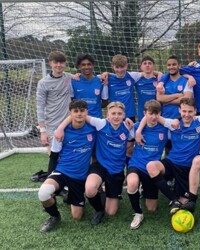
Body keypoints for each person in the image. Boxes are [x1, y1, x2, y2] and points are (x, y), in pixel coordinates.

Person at [143, 97, 200, 214]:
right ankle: (173, 199)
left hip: (187, 168)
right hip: (172, 163)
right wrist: (137, 132)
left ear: (195, 111)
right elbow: (153, 116)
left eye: (190, 111)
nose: (187, 114)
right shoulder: (173, 124)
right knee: (151, 166)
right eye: (184, 111)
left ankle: (183, 198)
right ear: (179, 111)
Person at [55, 101, 134, 225]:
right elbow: (80, 115)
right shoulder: (101, 123)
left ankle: (102, 193)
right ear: (107, 115)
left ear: (124, 115)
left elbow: (131, 145)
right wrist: (60, 128)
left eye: (119, 113)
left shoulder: (128, 128)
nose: (116, 116)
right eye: (113, 113)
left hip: (117, 170)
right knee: (90, 189)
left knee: (111, 212)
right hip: (100, 166)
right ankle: (97, 207)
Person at [37, 100, 96, 233]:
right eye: (76, 111)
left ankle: (72, 195)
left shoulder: (93, 129)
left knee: (77, 216)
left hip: (80, 177)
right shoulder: (61, 133)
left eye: (82, 111)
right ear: (70, 113)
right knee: (44, 192)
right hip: (63, 171)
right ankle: (54, 216)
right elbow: (54, 156)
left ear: (87, 112)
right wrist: (50, 176)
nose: (79, 114)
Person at [126, 100, 169, 229]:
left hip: (152, 169)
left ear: (160, 114)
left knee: (152, 208)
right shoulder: (136, 127)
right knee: (132, 182)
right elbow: (127, 145)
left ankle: (144, 189)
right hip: (137, 164)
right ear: (144, 113)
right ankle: (138, 213)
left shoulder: (166, 129)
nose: (154, 117)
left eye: (157, 114)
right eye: (150, 114)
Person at [36, 51, 72, 174]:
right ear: (50, 63)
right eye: (56, 62)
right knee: (54, 155)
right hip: (51, 125)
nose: (59, 65)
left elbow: (86, 77)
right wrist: (42, 131)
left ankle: (66, 180)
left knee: (68, 154)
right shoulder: (43, 83)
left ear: (65, 63)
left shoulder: (69, 77)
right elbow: (39, 107)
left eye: (61, 62)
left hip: (68, 123)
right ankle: (55, 183)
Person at [71, 54, 108, 118]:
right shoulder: (73, 82)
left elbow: (105, 102)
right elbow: (71, 102)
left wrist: (94, 107)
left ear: (93, 65)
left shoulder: (101, 81)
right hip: (80, 120)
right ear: (79, 66)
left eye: (89, 64)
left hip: (96, 119)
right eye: (83, 65)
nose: (86, 67)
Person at [135, 56, 160, 120]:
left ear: (154, 66)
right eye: (145, 63)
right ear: (141, 67)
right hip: (142, 116)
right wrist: (107, 73)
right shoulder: (137, 80)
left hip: (156, 115)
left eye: (149, 63)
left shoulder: (159, 80)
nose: (147, 65)